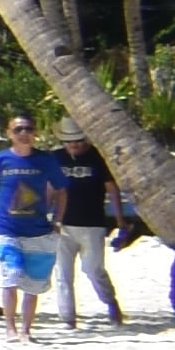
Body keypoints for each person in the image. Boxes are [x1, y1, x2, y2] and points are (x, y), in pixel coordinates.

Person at [0, 120, 72, 341]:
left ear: (35, 133)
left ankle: (25, 330)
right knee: (11, 277)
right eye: (18, 129)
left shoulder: (46, 160)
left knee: (33, 283)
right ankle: (10, 327)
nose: (24, 133)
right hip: (6, 230)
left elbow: (62, 191)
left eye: (28, 129)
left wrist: (58, 221)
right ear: (9, 133)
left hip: (38, 230)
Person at [54, 135, 125, 327]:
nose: (73, 145)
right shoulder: (55, 158)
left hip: (92, 224)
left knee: (94, 269)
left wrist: (120, 222)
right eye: (69, 141)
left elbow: (112, 190)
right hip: (62, 225)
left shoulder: (98, 157)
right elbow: (46, 188)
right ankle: (68, 318)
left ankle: (111, 302)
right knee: (63, 274)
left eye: (77, 140)